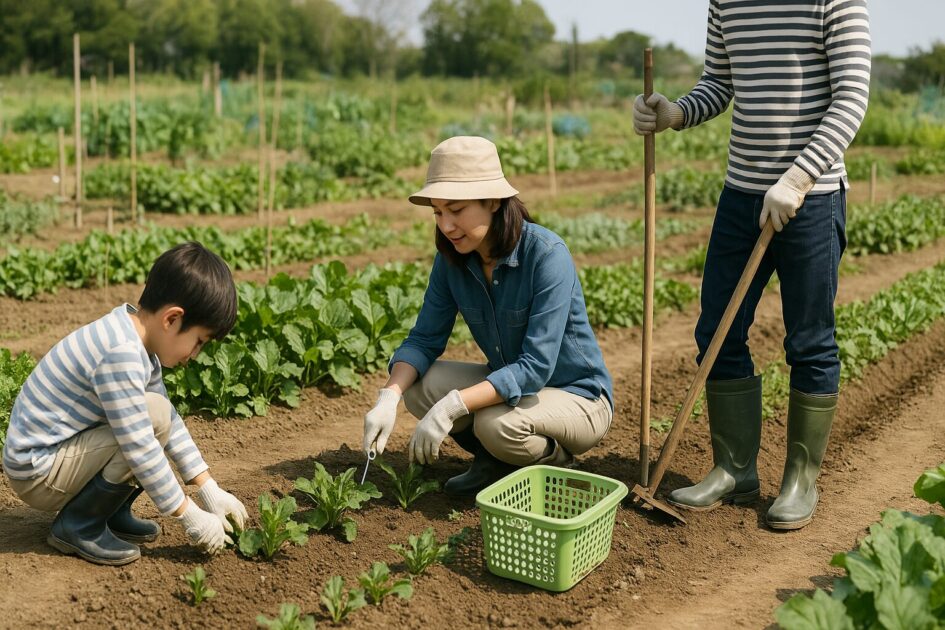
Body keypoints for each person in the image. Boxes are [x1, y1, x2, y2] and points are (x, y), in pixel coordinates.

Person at [633, 0, 871, 529]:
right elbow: (720, 82)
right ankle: (734, 469)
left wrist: (798, 178)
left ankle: (799, 481)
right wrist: (676, 113)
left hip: (811, 197)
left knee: (809, 338)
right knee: (717, 326)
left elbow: (851, 99)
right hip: (741, 193)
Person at [361, 136, 614, 496]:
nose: (446, 225)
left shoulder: (546, 255)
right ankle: (493, 461)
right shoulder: (452, 260)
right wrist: (388, 398)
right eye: (437, 212)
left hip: (578, 397)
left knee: (495, 424)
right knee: (418, 387)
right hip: (515, 390)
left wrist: (453, 405)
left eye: (456, 210)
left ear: (493, 201)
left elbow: (536, 367)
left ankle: (555, 463)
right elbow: (424, 339)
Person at [2, 242, 249, 565]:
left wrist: (208, 488)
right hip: (38, 471)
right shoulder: (121, 353)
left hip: (55, 454)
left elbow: (168, 422)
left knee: (157, 414)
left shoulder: (134, 339)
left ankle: (110, 512)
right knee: (144, 428)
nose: (195, 355)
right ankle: (79, 525)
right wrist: (188, 514)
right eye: (198, 341)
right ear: (172, 319)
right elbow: (140, 446)